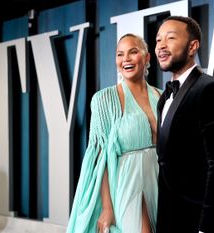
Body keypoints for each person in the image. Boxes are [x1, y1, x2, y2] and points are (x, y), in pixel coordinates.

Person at [66, 33, 161, 233]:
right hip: (128, 181)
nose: (125, 59)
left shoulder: (161, 95)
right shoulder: (104, 100)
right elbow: (100, 160)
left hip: (161, 180)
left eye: (133, 52)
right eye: (120, 54)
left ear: (146, 58)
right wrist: (107, 208)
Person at [155, 16, 214, 233]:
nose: (161, 46)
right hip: (170, 218)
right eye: (157, 40)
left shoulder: (211, 90)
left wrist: (208, 227)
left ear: (192, 46)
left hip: (200, 222)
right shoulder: (164, 97)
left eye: (170, 38)